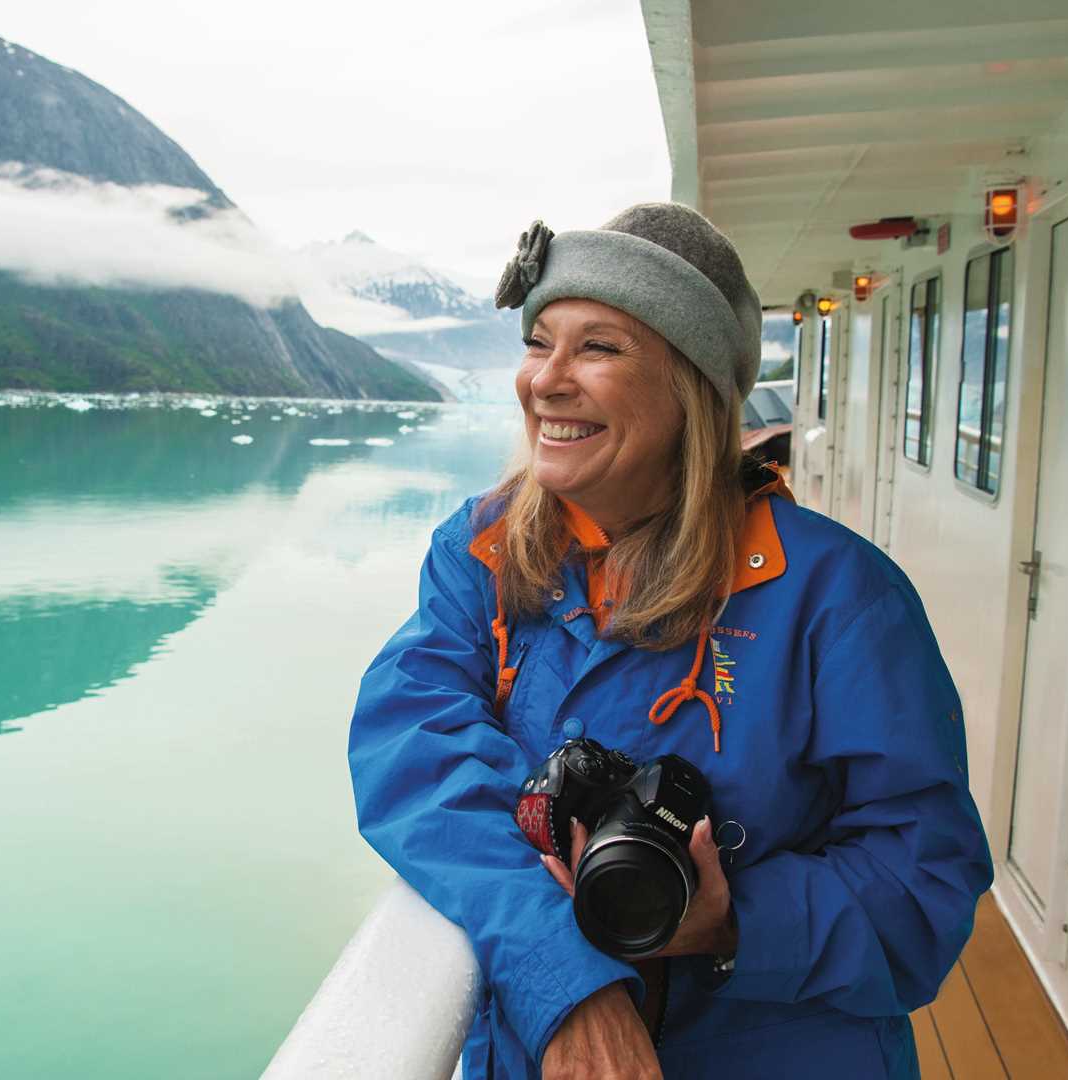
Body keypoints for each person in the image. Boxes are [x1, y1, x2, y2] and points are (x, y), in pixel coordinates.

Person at [347, 203, 994, 1078]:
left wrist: (733, 919)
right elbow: (413, 757)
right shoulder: (483, 556)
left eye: (599, 347)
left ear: (691, 387)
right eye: (540, 341)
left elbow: (929, 881)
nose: (547, 379)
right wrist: (565, 980)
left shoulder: (836, 597)